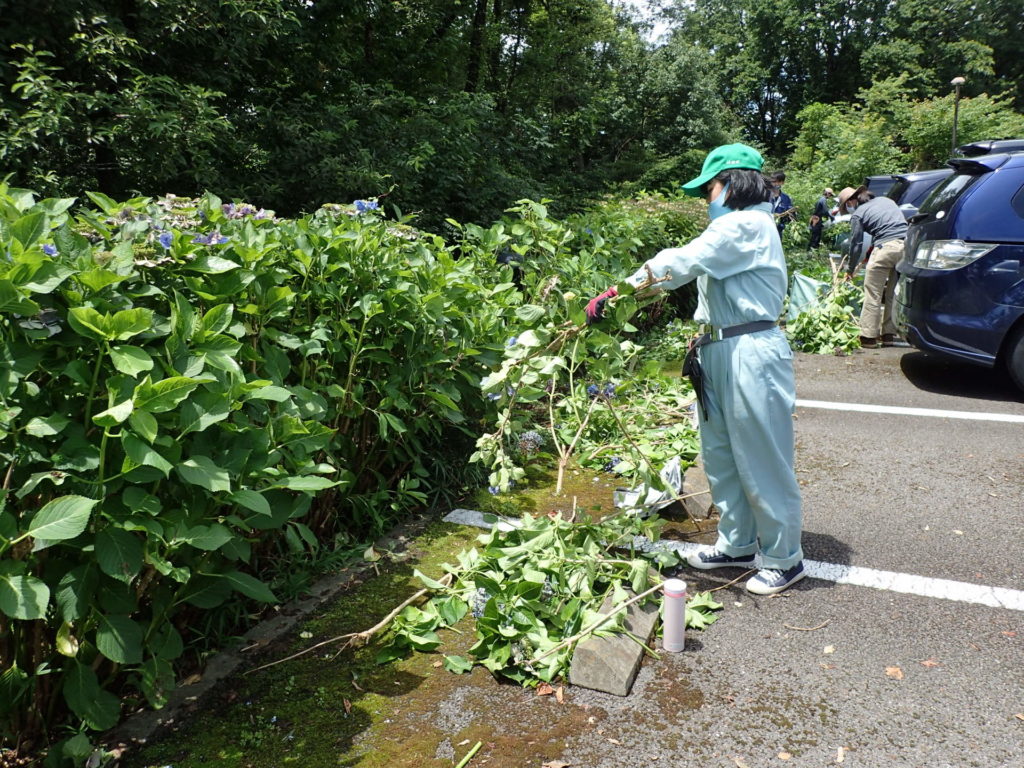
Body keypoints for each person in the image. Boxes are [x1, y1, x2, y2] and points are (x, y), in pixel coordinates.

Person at [585, 144, 805, 596]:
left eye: (710, 189)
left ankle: (785, 558)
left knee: (762, 456)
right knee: (721, 455)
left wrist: (619, 291)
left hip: (750, 349)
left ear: (732, 184)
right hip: (722, 346)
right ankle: (737, 544)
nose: (708, 199)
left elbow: (680, 261)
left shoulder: (747, 224)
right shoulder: (741, 228)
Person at [836, 185, 907, 348]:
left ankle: (868, 337)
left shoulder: (858, 214)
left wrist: (850, 269)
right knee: (893, 294)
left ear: (851, 201)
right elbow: (888, 229)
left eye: (847, 206)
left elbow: (856, 244)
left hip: (885, 249)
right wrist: (870, 254)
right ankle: (889, 334)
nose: (849, 209)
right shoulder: (887, 201)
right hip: (906, 247)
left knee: (873, 293)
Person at [770, 171, 796, 236]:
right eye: (774, 181)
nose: (776, 184)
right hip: (766, 228)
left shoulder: (786, 198)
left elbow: (790, 213)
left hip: (779, 230)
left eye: (778, 182)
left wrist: (791, 215)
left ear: (782, 183)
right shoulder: (764, 196)